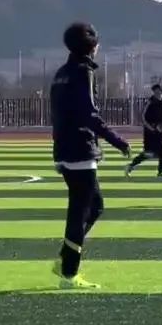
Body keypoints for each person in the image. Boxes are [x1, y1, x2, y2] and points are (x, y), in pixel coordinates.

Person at [50, 22, 131, 290]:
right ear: (92, 46)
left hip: (65, 149)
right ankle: (68, 272)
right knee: (80, 211)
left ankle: (66, 259)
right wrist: (116, 140)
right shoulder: (83, 72)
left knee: (95, 207)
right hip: (80, 149)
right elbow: (89, 114)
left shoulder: (62, 73)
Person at [125, 84, 162, 180]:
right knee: (149, 153)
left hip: (160, 132)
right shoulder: (150, 103)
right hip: (151, 133)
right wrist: (152, 128)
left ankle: (161, 173)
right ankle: (131, 166)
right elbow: (143, 117)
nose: (158, 94)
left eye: (160, 92)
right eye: (156, 92)